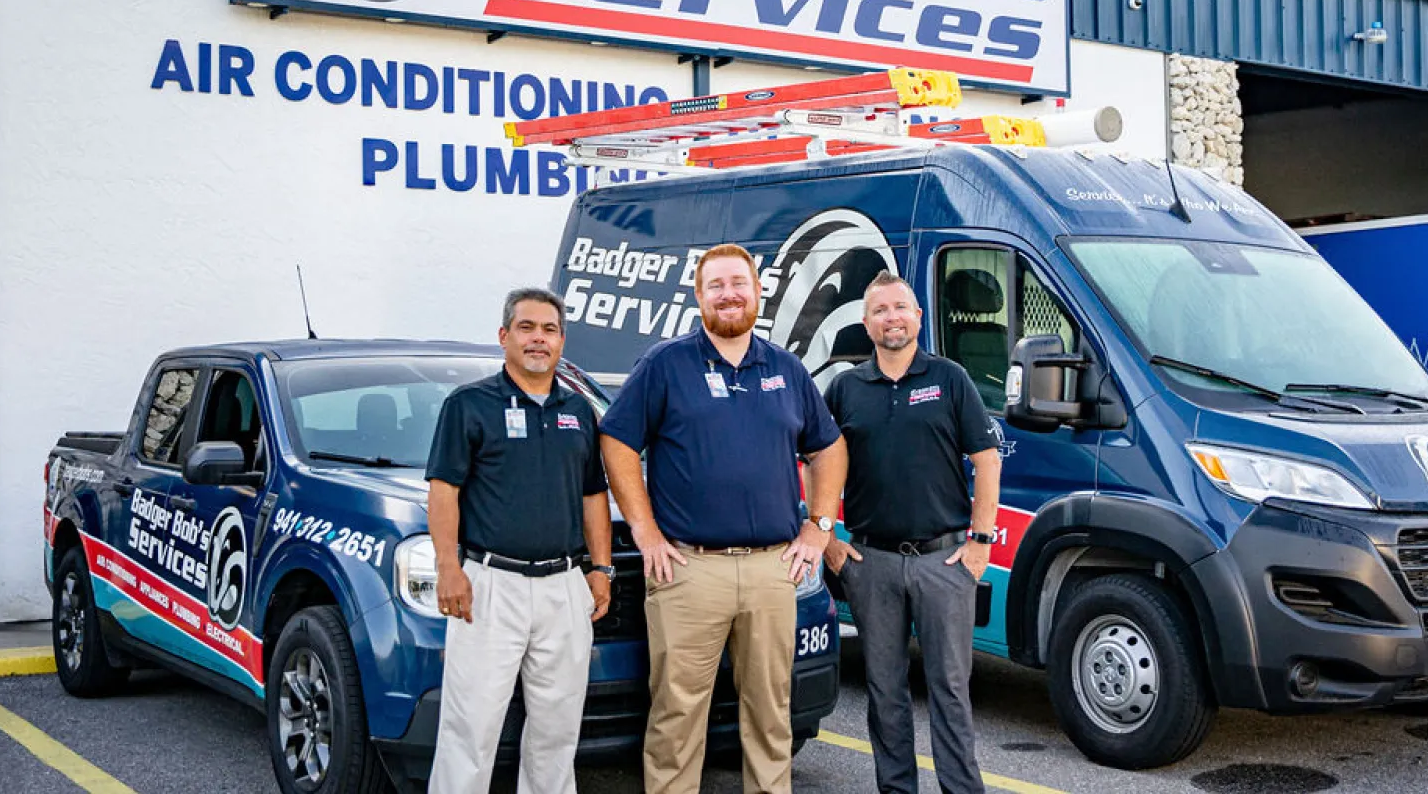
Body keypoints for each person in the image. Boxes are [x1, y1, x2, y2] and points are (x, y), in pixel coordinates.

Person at [600, 243, 848, 794]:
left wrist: (819, 526)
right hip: (689, 570)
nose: (729, 294)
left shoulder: (784, 368)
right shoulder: (665, 366)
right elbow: (616, 441)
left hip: (771, 571)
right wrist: (644, 531)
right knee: (676, 715)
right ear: (699, 296)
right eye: (716, 285)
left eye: (739, 283)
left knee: (770, 714)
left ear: (758, 292)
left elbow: (829, 448)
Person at [424, 288, 615, 794]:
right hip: (489, 587)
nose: (538, 339)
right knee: (471, 729)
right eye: (527, 328)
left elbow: (594, 495)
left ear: (561, 341)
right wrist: (449, 567)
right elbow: (444, 492)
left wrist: (601, 569)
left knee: (557, 731)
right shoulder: (469, 406)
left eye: (549, 330)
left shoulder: (579, 410)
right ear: (504, 336)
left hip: (564, 588)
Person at [823, 270, 1002, 794]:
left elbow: (986, 461)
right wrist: (828, 537)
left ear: (918, 317)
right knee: (885, 690)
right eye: (880, 311)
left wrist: (980, 541)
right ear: (866, 323)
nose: (891, 318)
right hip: (871, 563)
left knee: (949, 688)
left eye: (900, 308)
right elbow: (815, 462)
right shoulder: (845, 388)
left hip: (943, 562)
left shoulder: (949, 379)